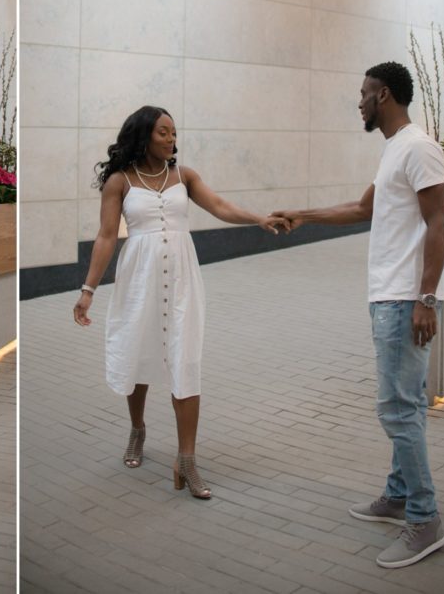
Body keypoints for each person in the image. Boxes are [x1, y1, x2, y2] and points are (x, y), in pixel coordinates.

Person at [273, 61, 444, 569]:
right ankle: (398, 495)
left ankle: (425, 518)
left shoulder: (418, 147)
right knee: (407, 404)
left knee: (396, 408)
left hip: (404, 299)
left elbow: (437, 222)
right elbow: (362, 208)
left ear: (385, 96)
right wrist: (301, 215)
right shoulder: (394, 149)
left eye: (365, 93)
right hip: (389, 296)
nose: (359, 101)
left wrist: (426, 298)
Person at [73, 105, 286, 499]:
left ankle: (187, 460)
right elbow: (106, 237)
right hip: (139, 278)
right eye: (163, 133)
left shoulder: (184, 176)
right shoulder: (119, 182)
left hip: (184, 280)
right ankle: (138, 429)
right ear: (143, 136)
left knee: (185, 361)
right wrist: (88, 290)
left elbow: (221, 206)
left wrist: (258, 218)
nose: (172, 139)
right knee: (138, 355)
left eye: (174, 133)